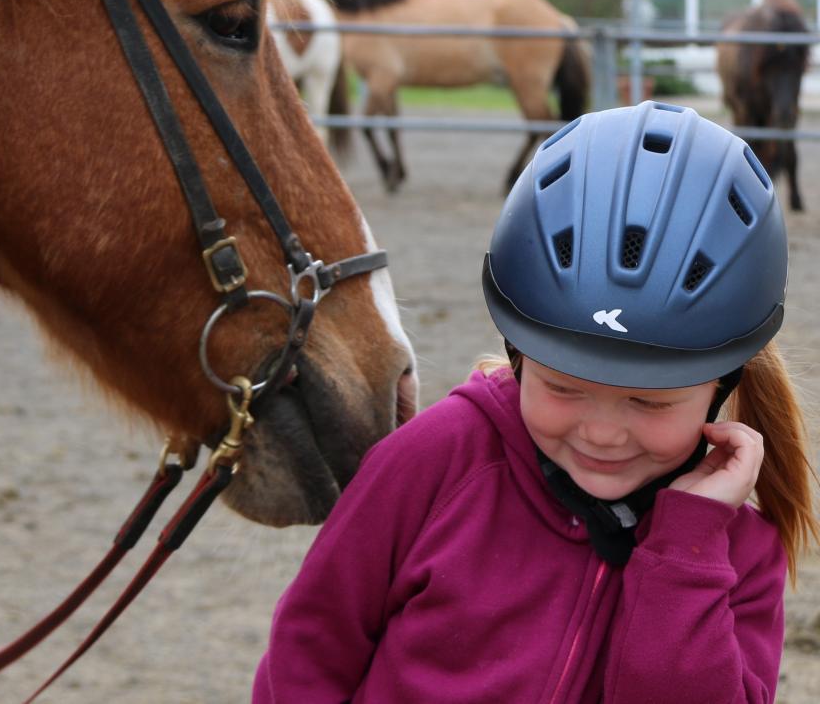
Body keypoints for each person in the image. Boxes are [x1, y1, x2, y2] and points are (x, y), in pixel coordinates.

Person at [253, 101, 818, 703]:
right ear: (516, 353)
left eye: (649, 403)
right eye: (564, 388)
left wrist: (684, 554)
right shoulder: (434, 462)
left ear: (722, 384)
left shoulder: (737, 558)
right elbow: (309, 651)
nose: (602, 433)